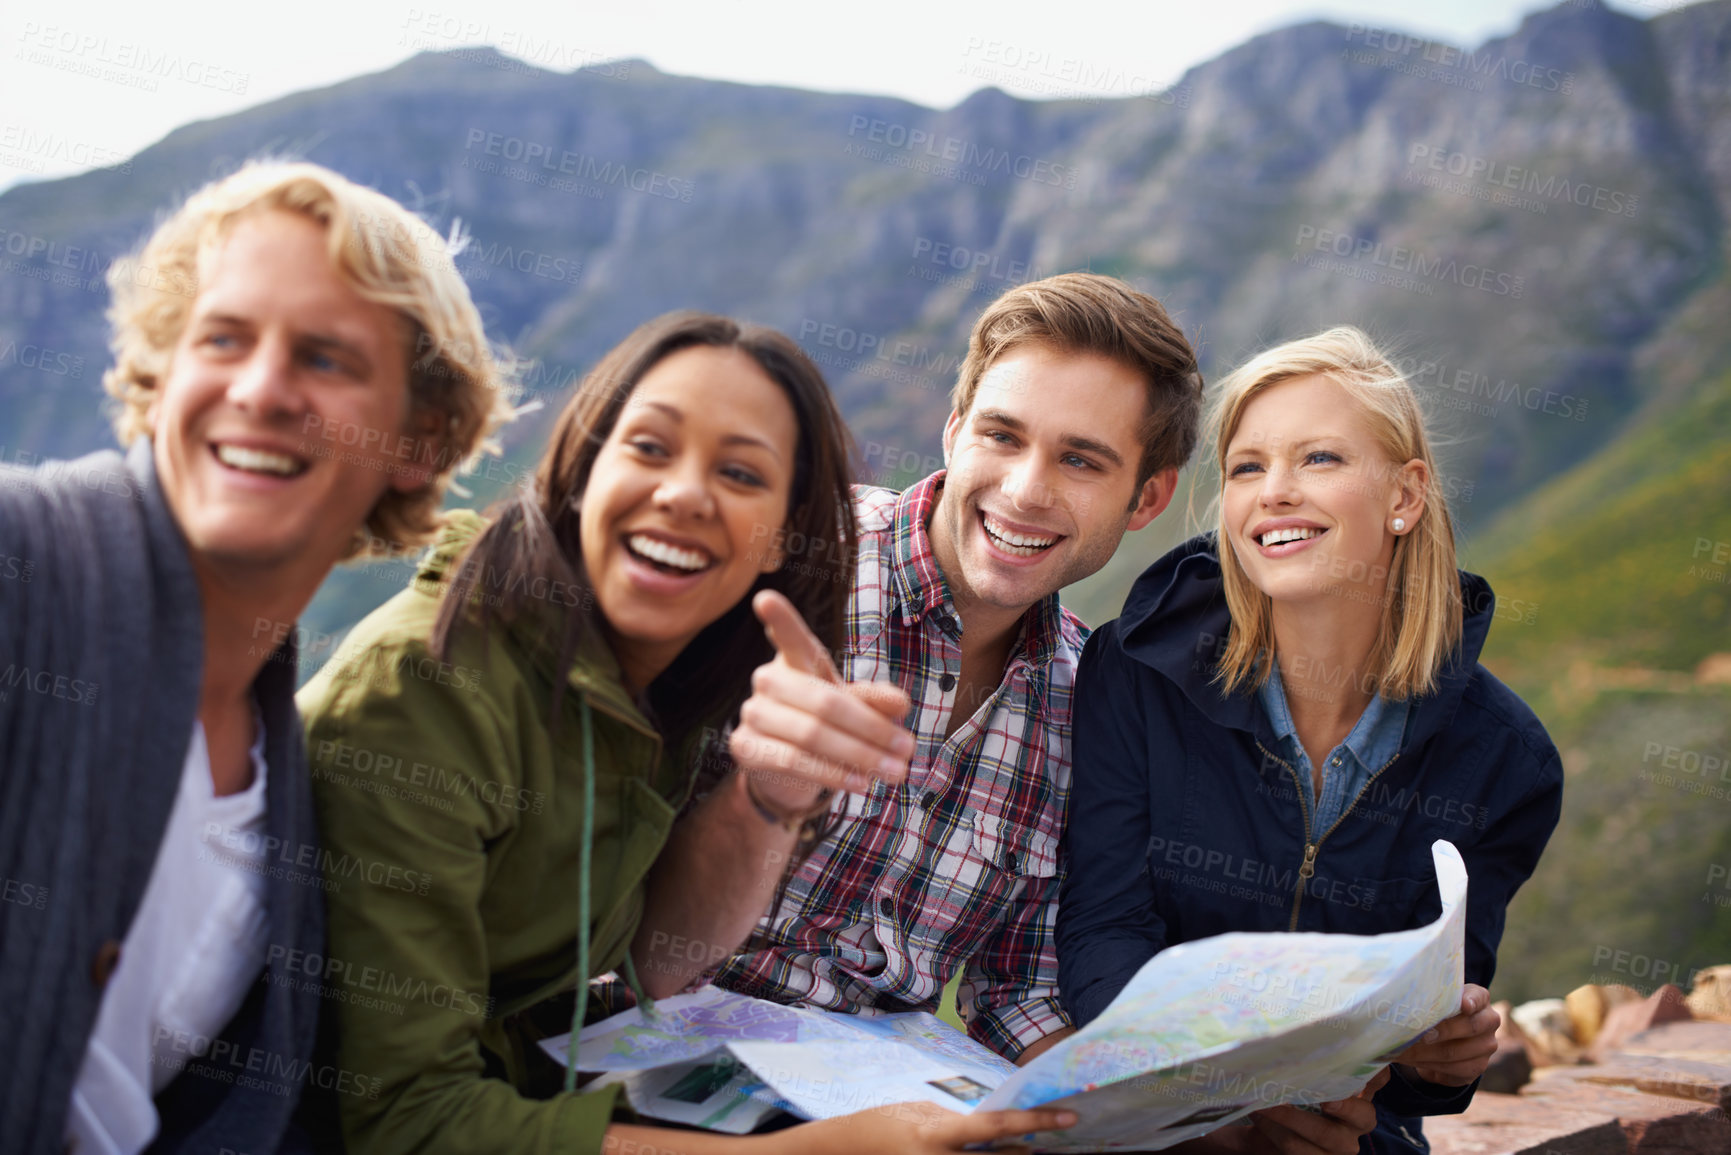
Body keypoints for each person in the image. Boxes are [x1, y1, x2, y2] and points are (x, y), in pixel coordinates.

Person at [297, 310, 1077, 1154]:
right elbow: (404, 1122)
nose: (684, 493)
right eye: (648, 447)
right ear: (578, 468)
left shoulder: (657, 677)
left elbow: (647, 967)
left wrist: (772, 797)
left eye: (741, 472)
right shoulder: (426, 689)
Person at [0, 161, 510, 1154]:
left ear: (421, 438)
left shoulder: (285, 779)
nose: (261, 389)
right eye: (222, 338)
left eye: (324, 358)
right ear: (161, 377)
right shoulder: (23, 565)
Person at [1056, 326, 1566, 1154]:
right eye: (1247, 467)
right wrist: (1217, 1109)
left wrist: (1442, 1060)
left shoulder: (1506, 760)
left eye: (1318, 459)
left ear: (1404, 496)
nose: (1274, 492)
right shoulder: (1135, 672)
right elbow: (1100, 929)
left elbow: (1426, 1038)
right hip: (1155, 1119)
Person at [688, 273, 1202, 1066]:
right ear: (954, 430)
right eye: (1001, 436)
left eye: (1080, 460)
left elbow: (1017, 993)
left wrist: (1186, 1120)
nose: (1025, 491)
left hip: (875, 1096)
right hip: (644, 1052)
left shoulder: (1088, 702)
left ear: (1146, 498)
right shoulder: (781, 561)